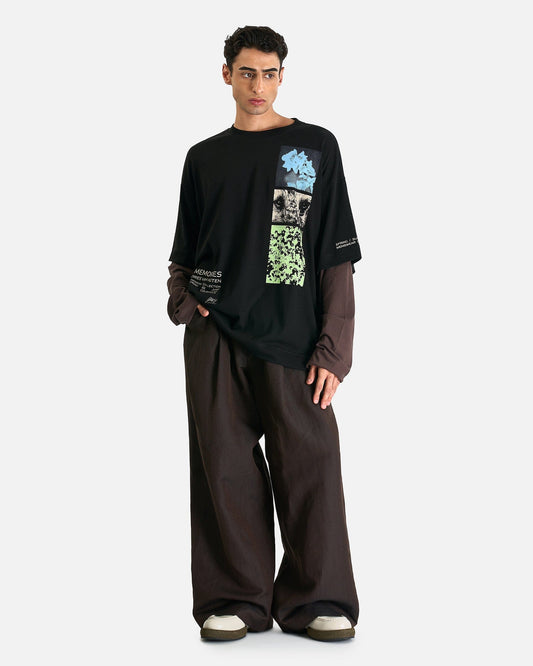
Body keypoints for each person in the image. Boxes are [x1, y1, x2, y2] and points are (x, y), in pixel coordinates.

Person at [166, 25, 362, 642]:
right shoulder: (203, 158)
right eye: (247, 72)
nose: (259, 85)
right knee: (223, 468)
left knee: (311, 464)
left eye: (270, 73)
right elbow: (183, 252)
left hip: (293, 336)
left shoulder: (314, 147)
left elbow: (334, 256)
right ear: (227, 74)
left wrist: (334, 347)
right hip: (215, 336)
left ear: (282, 76)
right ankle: (234, 598)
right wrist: (183, 300)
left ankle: (317, 597)